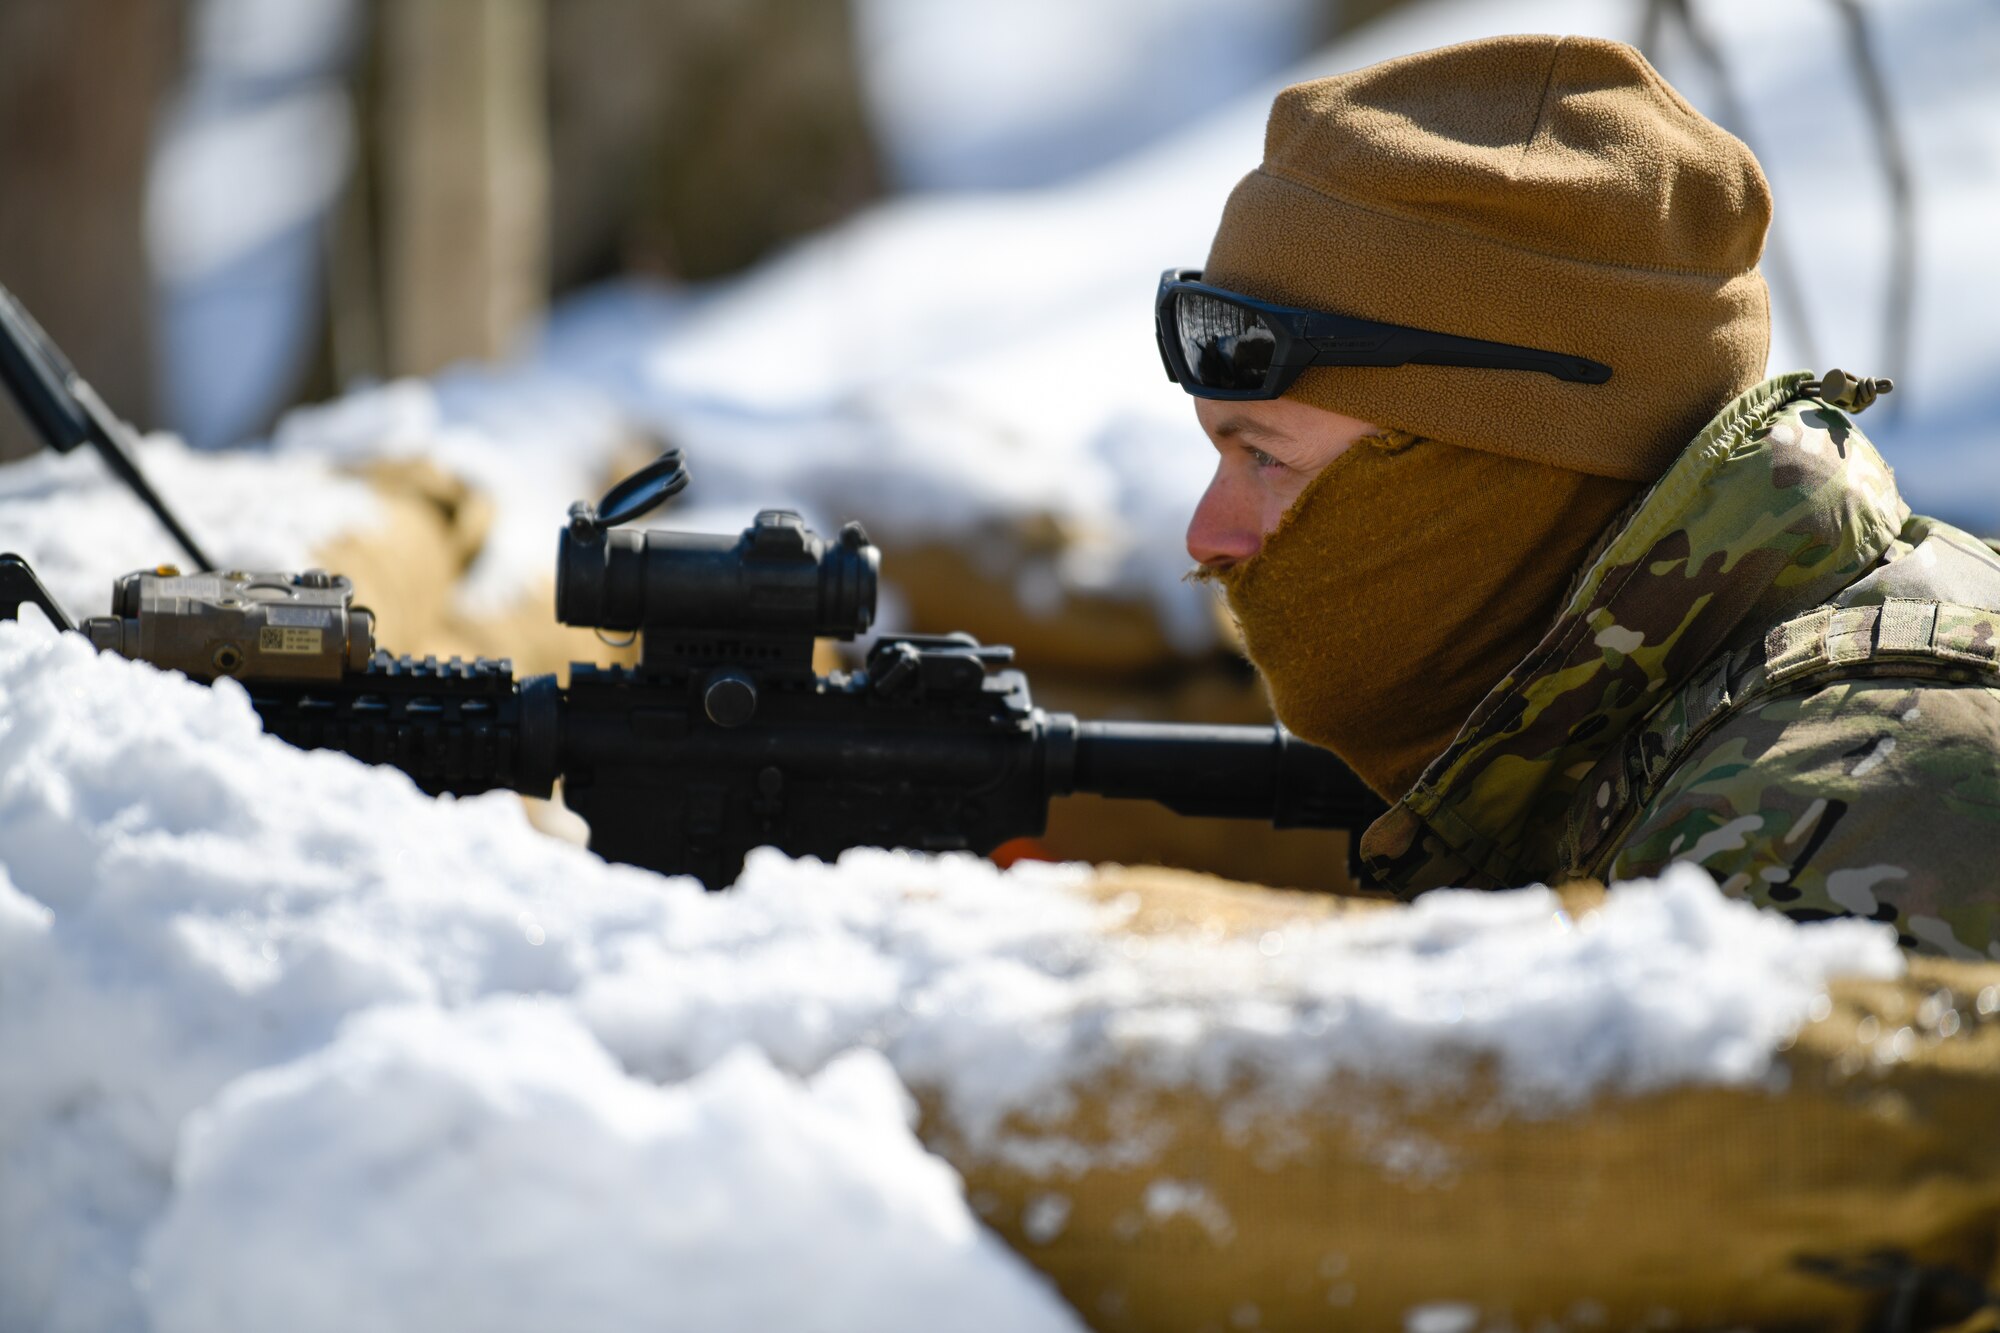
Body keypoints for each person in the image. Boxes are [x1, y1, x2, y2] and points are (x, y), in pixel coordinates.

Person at [1158, 34, 2000, 957]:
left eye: (1268, 459)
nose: (1209, 534)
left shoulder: (1806, 828)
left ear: (1502, 475)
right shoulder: (1662, 741)